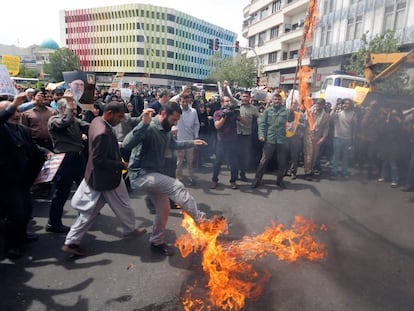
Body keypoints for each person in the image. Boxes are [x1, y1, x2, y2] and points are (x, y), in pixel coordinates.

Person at [62, 101, 146, 256]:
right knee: (92, 211)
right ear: (109, 113)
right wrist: (120, 165)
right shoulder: (103, 132)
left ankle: (130, 228)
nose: (121, 120)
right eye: (119, 117)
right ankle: (71, 241)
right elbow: (99, 160)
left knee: (123, 203)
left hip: (105, 177)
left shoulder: (97, 121)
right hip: (104, 179)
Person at [123, 102, 207, 256]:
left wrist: (192, 143)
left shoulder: (167, 130)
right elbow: (127, 144)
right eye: (173, 120)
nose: (175, 124)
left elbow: (173, 145)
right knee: (177, 186)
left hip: (154, 174)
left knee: (164, 209)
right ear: (163, 114)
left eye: (177, 121)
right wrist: (143, 124)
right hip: (140, 175)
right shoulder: (149, 127)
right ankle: (201, 220)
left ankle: (156, 242)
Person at [0, 93, 48, 259]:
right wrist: (12, 104)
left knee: (26, 211)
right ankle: (12, 246)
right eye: (11, 111)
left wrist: (47, 153)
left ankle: (23, 236)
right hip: (7, 181)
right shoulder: (2, 131)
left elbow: (33, 148)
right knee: (15, 214)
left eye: (17, 110)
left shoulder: (23, 130)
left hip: (24, 179)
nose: (16, 114)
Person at [47, 91, 90, 233]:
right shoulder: (53, 120)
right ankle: (53, 223)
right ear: (61, 108)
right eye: (70, 107)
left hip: (78, 158)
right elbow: (64, 122)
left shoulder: (75, 120)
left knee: (83, 189)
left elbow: (89, 126)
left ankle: (84, 219)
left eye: (74, 108)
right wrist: (70, 105)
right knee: (62, 193)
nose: (74, 110)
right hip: (64, 160)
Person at [251, 93, 293, 189]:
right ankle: (257, 180)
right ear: (272, 100)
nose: (277, 101)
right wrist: (261, 135)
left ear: (281, 100)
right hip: (270, 139)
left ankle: (280, 181)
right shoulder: (267, 111)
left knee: (282, 162)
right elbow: (262, 124)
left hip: (281, 140)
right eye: (275, 99)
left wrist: (291, 113)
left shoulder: (286, 111)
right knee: (264, 161)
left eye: (278, 99)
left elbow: (291, 121)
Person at [211, 96, 243, 190]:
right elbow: (217, 126)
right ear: (221, 103)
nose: (228, 103)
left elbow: (245, 122)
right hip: (221, 141)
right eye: (226, 101)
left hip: (233, 141)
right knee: (217, 162)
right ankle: (214, 180)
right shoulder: (217, 113)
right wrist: (224, 116)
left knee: (234, 163)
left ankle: (233, 181)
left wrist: (238, 115)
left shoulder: (233, 112)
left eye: (229, 101)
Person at [303, 98, 330, 181]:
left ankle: (311, 170)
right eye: (318, 103)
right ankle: (307, 172)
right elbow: (303, 121)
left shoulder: (325, 116)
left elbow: (326, 128)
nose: (318, 105)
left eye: (321, 104)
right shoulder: (310, 111)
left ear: (323, 105)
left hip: (317, 137)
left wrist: (323, 137)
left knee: (315, 155)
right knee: (308, 155)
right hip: (308, 135)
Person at [176, 94, 200, 186]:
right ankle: (179, 178)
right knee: (179, 162)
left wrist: (196, 136)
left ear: (189, 101)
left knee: (191, 161)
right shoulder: (177, 111)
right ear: (180, 102)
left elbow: (196, 124)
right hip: (179, 140)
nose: (185, 103)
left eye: (186, 101)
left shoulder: (193, 111)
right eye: (183, 101)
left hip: (190, 140)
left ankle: (191, 177)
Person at [330, 98, 357, 178]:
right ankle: (334, 172)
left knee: (345, 157)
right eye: (344, 103)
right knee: (336, 156)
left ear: (351, 105)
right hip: (337, 137)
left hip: (348, 138)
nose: (346, 105)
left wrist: (353, 140)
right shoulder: (338, 112)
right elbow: (331, 115)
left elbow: (354, 128)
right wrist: (336, 104)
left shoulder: (353, 114)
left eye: (348, 103)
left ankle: (344, 172)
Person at [237, 90, 259, 181]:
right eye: (243, 96)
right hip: (236, 134)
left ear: (250, 98)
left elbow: (259, 118)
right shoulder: (236, 105)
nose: (245, 98)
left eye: (247, 97)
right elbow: (227, 96)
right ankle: (234, 175)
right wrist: (226, 87)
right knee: (235, 155)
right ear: (241, 97)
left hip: (247, 135)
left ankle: (243, 174)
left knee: (245, 156)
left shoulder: (253, 109)